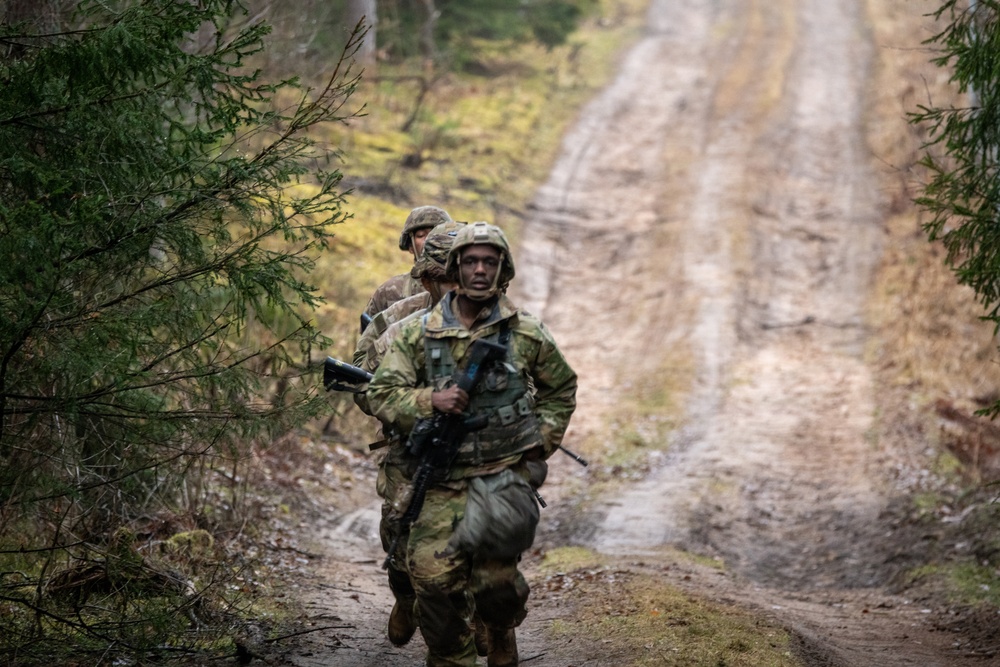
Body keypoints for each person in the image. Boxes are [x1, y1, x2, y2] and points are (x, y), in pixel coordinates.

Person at [366, 221, 577, 667]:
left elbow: (560, 388)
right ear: (454, 269)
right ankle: (450, 654)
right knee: (431, 580)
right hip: (438, 478)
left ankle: (499, 626)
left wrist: (539, 440)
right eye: (470, 262)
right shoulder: (413, 331)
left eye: (489, 262)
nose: (479, 271)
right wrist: (429, 400)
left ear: (503, 270)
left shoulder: (525, 332)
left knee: (496, 586)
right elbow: (380, 393)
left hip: (501, 475)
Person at [351, 221, 465, 651]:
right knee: (399, 537)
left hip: (477, 453)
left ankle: (491, 624)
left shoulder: (501, 320)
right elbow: (364, 384)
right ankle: (405, 594)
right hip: (412, 449)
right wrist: (414, 409)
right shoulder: (398, 319)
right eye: (444, 276)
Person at [363, 206, 454, 321]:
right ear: (411, 246)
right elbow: (369, 330)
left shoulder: (467, 284)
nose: (428, 239)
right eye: (421, 235)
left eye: (436, 233)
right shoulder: (390, 291)